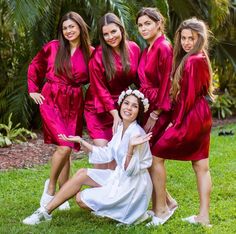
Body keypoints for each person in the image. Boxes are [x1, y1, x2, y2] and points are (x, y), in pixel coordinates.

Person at [23, 89, 153, 226]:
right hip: (120, 177)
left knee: (81, 199)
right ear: (120, 105)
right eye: (126, 103)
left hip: (132, 187)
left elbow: (130, 171)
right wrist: (81, 141)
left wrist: (131, 148)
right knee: (82, 173)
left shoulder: (137, 134)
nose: (129, 108)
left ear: (139, 111)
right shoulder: (121, 128)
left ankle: (127, 211)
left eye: (134, 106)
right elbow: (108, 153)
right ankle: (44, 211)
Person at [149, 18, 214, 227]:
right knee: (201, 166)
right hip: (201, 115)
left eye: (191, 38)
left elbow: (187, 98)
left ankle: (161, 209)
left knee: (156, 155)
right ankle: (203, 216)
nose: (186, 42)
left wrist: (174, 123)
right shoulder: (198, 57)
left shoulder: (194, 60)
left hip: (191, 116)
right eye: (183, 38)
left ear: (200, 39)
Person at [27, 11, 93, 210]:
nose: (68, 31)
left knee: (68, 148)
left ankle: (64, 190)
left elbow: (98, 78)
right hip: (51, 99)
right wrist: (32, 90)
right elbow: (35, 65)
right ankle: (50, 188)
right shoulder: (53, 47)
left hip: (73, 102)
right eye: (65, 28)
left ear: (80, 27)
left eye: (72, 26)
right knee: (64, 146)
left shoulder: (90, 52)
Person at [136, 7, 177, 222]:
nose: (143, 28)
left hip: (159, 109)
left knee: (154, 159)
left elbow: (167, 82)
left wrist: (157, 112)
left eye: (148, 24)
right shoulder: (148, 48)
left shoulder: (164, 47)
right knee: (148, 156)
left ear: (159, 24)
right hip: (147, 105)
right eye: (140, 25)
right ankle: (164, 203)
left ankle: (162, 209)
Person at [84, 13, 141, 169]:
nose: (110, 37)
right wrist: (114, 113)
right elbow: (98, 88)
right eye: (106, 34)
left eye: (113, 31)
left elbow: (140, 78)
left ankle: (110, 192)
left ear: (121, 29)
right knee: (102, 156)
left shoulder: (134, 48)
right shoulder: (98, 55)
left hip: (122, 106)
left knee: (116, 160)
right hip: (98, 108)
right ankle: (90, 193)